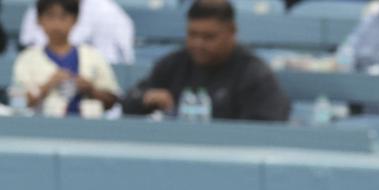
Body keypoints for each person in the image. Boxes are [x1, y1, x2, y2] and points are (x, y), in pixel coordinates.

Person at [122, 0, 290, 122]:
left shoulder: (253, 73)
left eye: (209, 37)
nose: (198, 44)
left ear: (232, 32)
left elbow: (267, 126)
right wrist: (146, 99)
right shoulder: (174, 64)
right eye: (192, 35)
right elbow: (128, 102)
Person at [11, 0, 119, 116]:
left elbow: (112, 100)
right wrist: (47, 86)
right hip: (40, 128)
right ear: (39, 20)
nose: (56, 24)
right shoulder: (26, 59)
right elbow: (17, 103)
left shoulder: (93, 56)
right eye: (50, 16)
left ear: (75, 19)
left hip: (90, 128)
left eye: (64, 17)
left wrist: (90, 89)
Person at [19, 0, 134, 65]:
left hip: (91, 95)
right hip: (42, 91)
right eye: (51, 16)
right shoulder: (39, 9)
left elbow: (111, 66)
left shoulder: (109, 13)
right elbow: (28, 53)